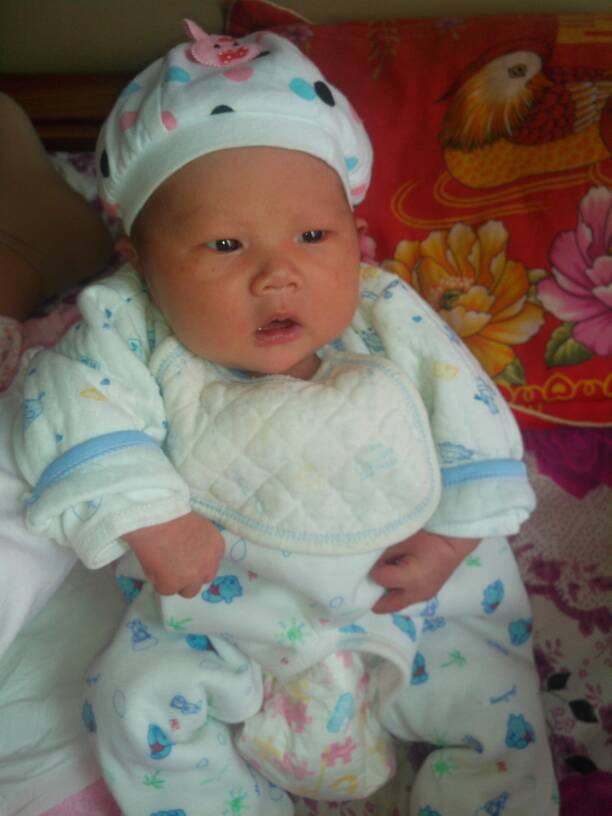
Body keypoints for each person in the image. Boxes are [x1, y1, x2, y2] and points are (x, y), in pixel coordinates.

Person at [13, 23, 558, 816]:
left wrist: (452, 540)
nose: (278, 273)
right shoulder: (127, 323)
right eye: (225, 243)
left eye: (312, 236)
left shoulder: (387, 311)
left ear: (355, 239)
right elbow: (67, 402)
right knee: (133, 702)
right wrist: (150, 517)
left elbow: (469, 412)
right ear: (140, 261)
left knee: (495, 706)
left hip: (409, 592)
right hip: (226, 613)